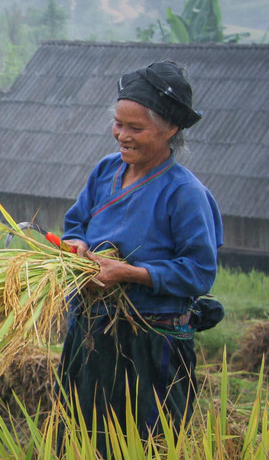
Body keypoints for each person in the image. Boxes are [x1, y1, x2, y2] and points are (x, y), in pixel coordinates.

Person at [56, 61, 223, 456]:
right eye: (118, 124)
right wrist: (76, 247)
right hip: (92, 334)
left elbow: (199, 272)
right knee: (82, 440)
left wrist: (129, 273)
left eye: (135, 128)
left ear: (171, 130)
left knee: (146, 444)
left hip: (151, 345)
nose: (121, 136)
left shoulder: (184, 193)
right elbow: (75, 224)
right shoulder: (105, 171)